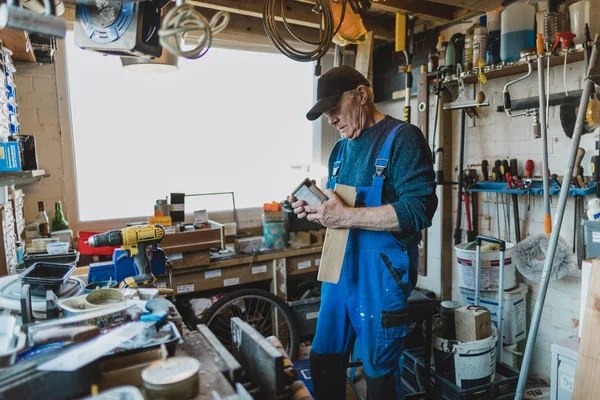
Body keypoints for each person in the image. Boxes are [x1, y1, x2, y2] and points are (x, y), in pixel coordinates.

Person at [288, 66, 438, 399]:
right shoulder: (340, 151)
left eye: (334, 108)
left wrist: (344, 216)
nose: (331, 119)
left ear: (361, 95)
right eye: (325, 113)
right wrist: (316, 211)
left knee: (379, 375)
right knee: (323, 359)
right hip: (338, 273)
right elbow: (339, 212)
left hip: (380, 279)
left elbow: (419, 210)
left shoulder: (403, 139)